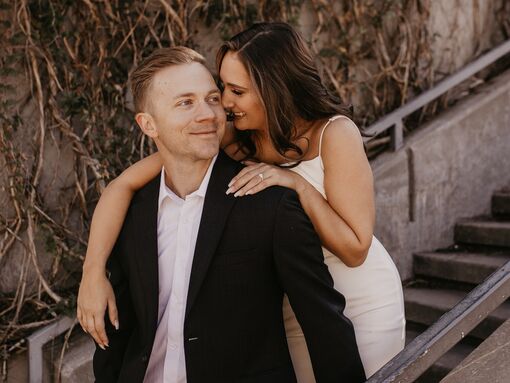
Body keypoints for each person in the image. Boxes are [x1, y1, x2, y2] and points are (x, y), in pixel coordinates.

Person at [79, 22, 405, 380]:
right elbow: (121, 187)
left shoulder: (334, 133)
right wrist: (93, 272)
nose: (225, 104)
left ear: (274, 89)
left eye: (236, 90)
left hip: (360, 300)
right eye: (223, 88)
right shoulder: (230, 134)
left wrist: (296, 183)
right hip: (290, 306)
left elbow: (356, 248)